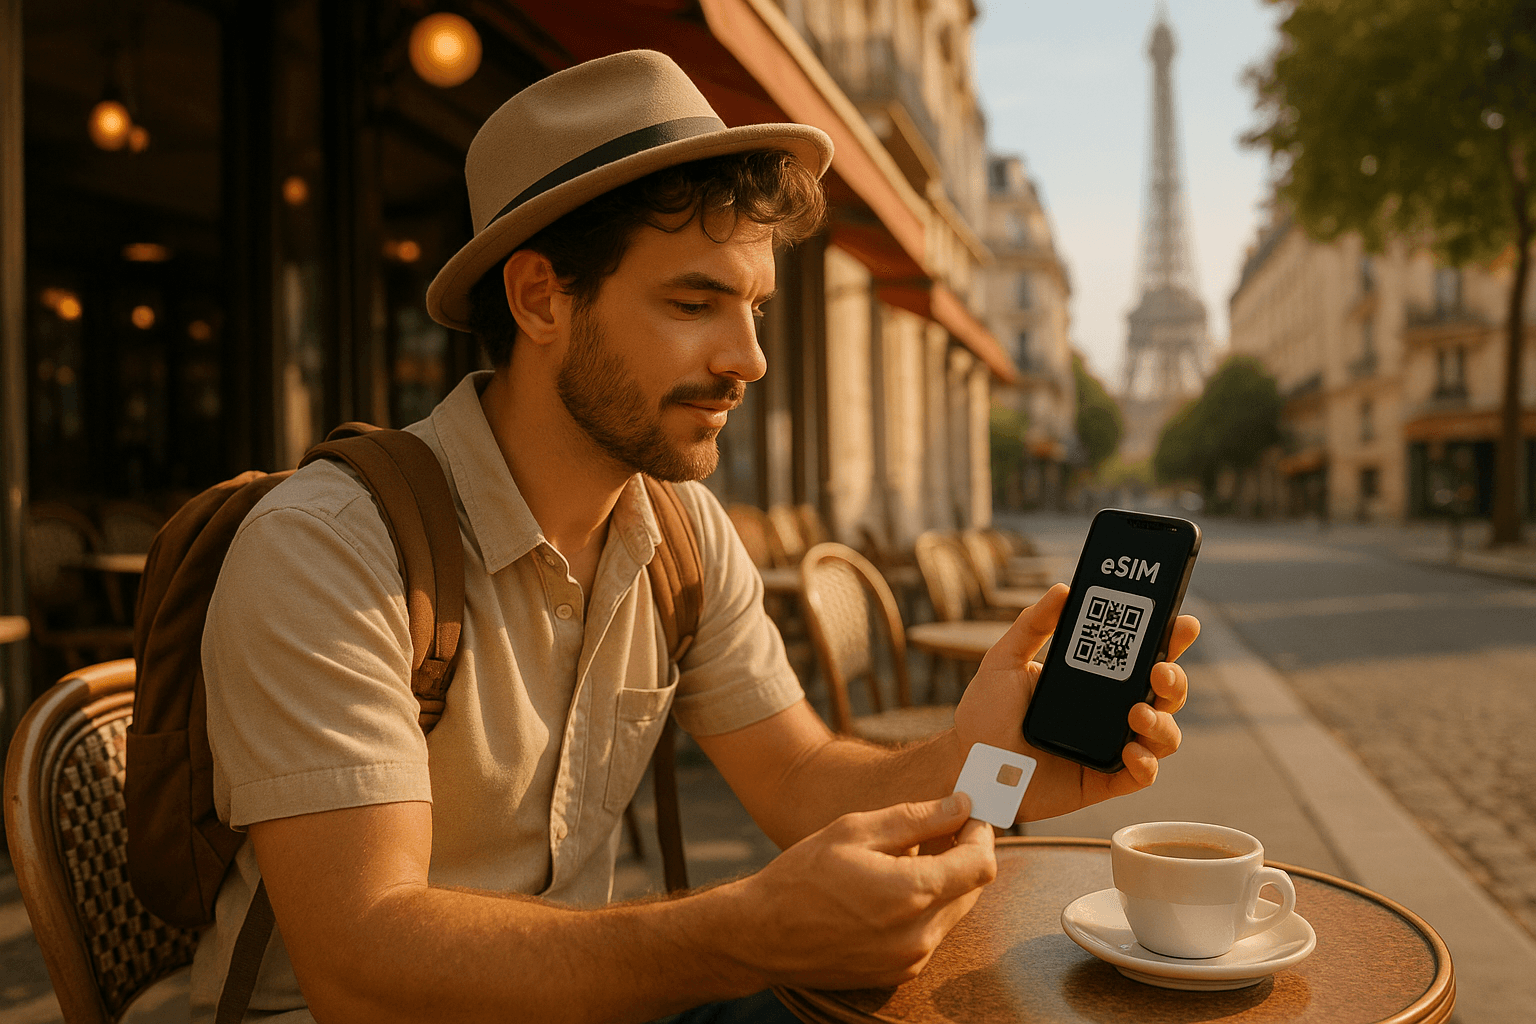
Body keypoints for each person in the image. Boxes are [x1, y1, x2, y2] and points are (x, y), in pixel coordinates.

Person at [194, 50, 1197, 1024]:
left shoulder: (679, 530)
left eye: (755, 306)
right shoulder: (329, 547)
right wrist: (740, 932)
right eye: (693, 301)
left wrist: (986, 758)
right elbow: (361, 971)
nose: (751, 358)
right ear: (541, 296)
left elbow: (801, 783)